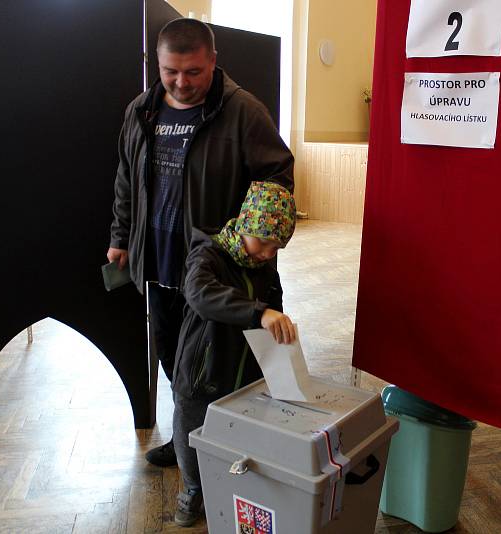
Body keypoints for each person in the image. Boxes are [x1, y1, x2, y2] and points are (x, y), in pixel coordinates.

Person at [106, 18, 294, 468]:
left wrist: (250, 241)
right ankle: (187, 437)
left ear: (213, 62)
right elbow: (126, 178)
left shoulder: (244, 111)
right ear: (157, 63)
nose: (181, 82)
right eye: (171, 71)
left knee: (211, 369)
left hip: (216, 267)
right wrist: (120, 236)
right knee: (173, 358)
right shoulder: (141, 111)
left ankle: (219, 444)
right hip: (158, 261)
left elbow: (277, 180)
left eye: (193, 71)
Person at [170, 181, 297, 527]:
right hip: (201, 366)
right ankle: (193, 489)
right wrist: (259, 313)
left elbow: (274, 303)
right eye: (265, 243)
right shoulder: (207, 254)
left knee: (238, 427)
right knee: (190, 424)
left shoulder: (264, 264)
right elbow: (200, 294)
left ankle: (231, 483)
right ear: (246, 226)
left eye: (278, 247)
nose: (269, 253)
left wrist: (281, 332)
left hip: (245, 367)